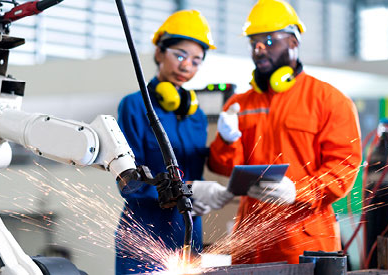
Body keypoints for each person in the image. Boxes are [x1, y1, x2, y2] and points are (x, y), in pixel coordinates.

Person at [207, 0, 363, 264]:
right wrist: (226, 139)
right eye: (253, 42)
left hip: (304, 240)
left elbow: (344, 166)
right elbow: (224, 167)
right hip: (250, 240)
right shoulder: (239, 104)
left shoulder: (329, 100)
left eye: (268, 41)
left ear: (293, 42)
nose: (258, 49)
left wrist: (299, 191)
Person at [115, 10, 232, 274]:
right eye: (179, 55)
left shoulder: (197, 116)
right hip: (143, 238)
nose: (186, 66)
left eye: (196, 60)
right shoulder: (134, 106)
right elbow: (128, 183)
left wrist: (228, 140)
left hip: (188, 237)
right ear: (159, 53)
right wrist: (184, 190)